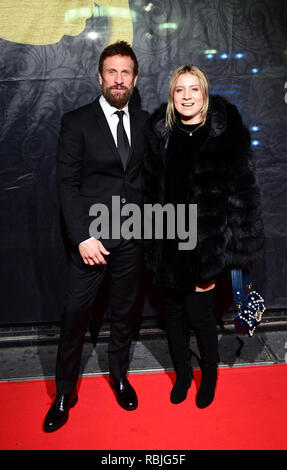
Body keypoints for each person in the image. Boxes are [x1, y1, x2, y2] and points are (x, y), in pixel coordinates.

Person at [143, 65, 264, 408]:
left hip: (205, 247)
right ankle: (182, 374)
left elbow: (244, 195)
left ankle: (208, 376)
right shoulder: (161, 133)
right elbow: (149, 194)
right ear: (172, 96)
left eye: (193, 89)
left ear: (204, 93)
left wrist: (232, 251)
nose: (186, 96)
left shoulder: (225, 134)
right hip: (168, 243)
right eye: (179, 90)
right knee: (174, 316)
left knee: (200, 317)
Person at [44, 41, 149, 432]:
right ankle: (65, 391)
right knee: (75, 316)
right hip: (92, 241)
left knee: (124, 313)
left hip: (133, 239)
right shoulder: (77, 121)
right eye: (112, 71)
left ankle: (119, 375)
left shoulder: (144, 122)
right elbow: (67, 184)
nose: (118, 79)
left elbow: (146, 181)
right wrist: (83, 236)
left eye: (126, 72)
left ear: (135, 79)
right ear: (99, 76)